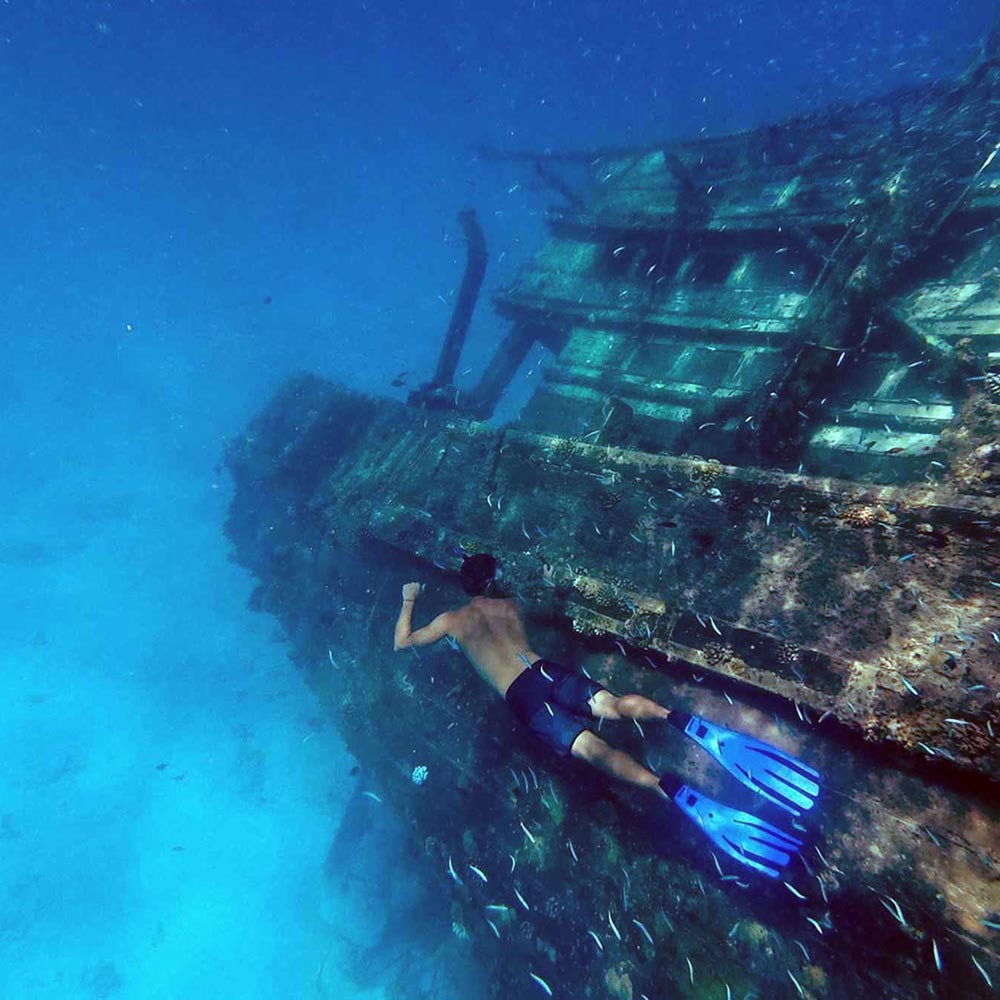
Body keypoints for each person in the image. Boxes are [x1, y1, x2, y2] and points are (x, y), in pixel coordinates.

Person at [392, 552, 820, 879]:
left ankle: (664, 788)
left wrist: (409, 598)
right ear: (493, 580)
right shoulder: (510, 606)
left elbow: (403, 642)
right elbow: (541, 608)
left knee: (593, 749)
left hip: (521, 695)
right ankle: (680, 719)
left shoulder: (451, 619)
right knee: (614, 707)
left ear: (465, 587)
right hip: (544, 670)